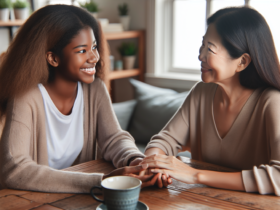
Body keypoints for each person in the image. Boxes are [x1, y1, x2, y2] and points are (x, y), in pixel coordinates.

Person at [0, 5, 159, 193]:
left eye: (94, 47)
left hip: (77, 200)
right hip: (31, 201)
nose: (95, 57)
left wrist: (136, 161)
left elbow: (114, 138)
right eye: (82, 50)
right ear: (53, 58)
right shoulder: (26, 97)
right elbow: (14, 169)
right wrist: (102, 181)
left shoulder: (95, 89)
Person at [141, 7, 280, 195]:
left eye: (210, 49)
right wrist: (154, 165)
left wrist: (195, 175)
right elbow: (165, 140)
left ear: (242, 62)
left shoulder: (271, 102)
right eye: (202, 45)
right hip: (202, 202)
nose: (200, 56)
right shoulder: (201, 93)